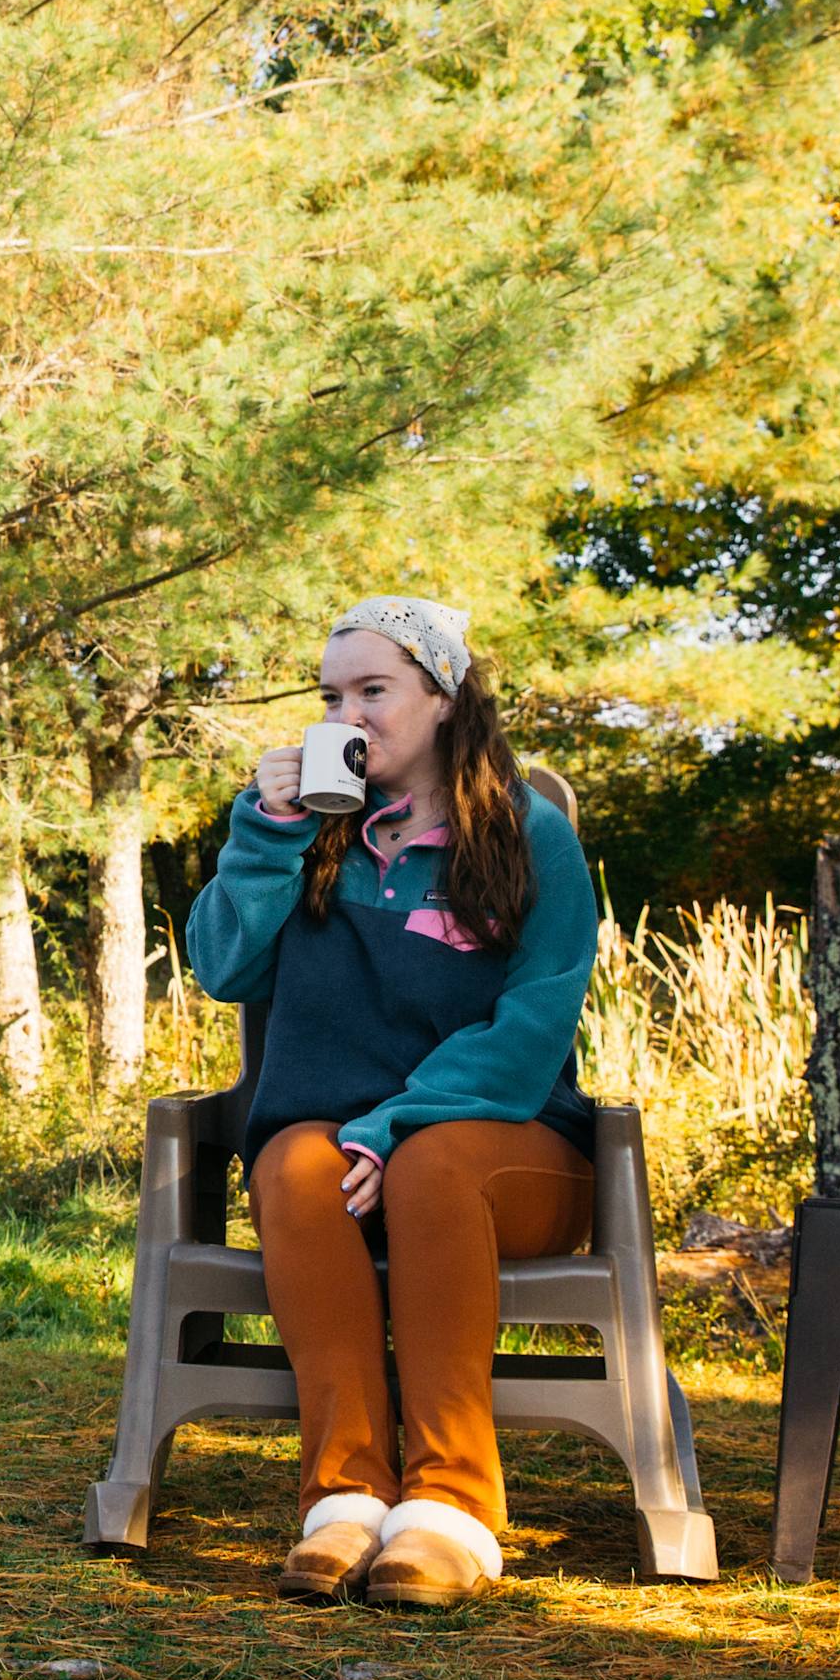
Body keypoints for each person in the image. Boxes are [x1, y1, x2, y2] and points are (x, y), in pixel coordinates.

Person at [183, 595, 597, 1610]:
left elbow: (532, 1028)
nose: (349, 715)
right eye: (333, 695)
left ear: (445, 698)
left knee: (433, 1162)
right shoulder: (307, 835)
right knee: (290, 1162)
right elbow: (224, 966)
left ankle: (453, 1510)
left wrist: (396, 1122)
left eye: (376, 689)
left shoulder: (525, 836)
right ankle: (349, 1499)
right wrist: (266, 830)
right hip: (342, 1143)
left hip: (509, 1146)